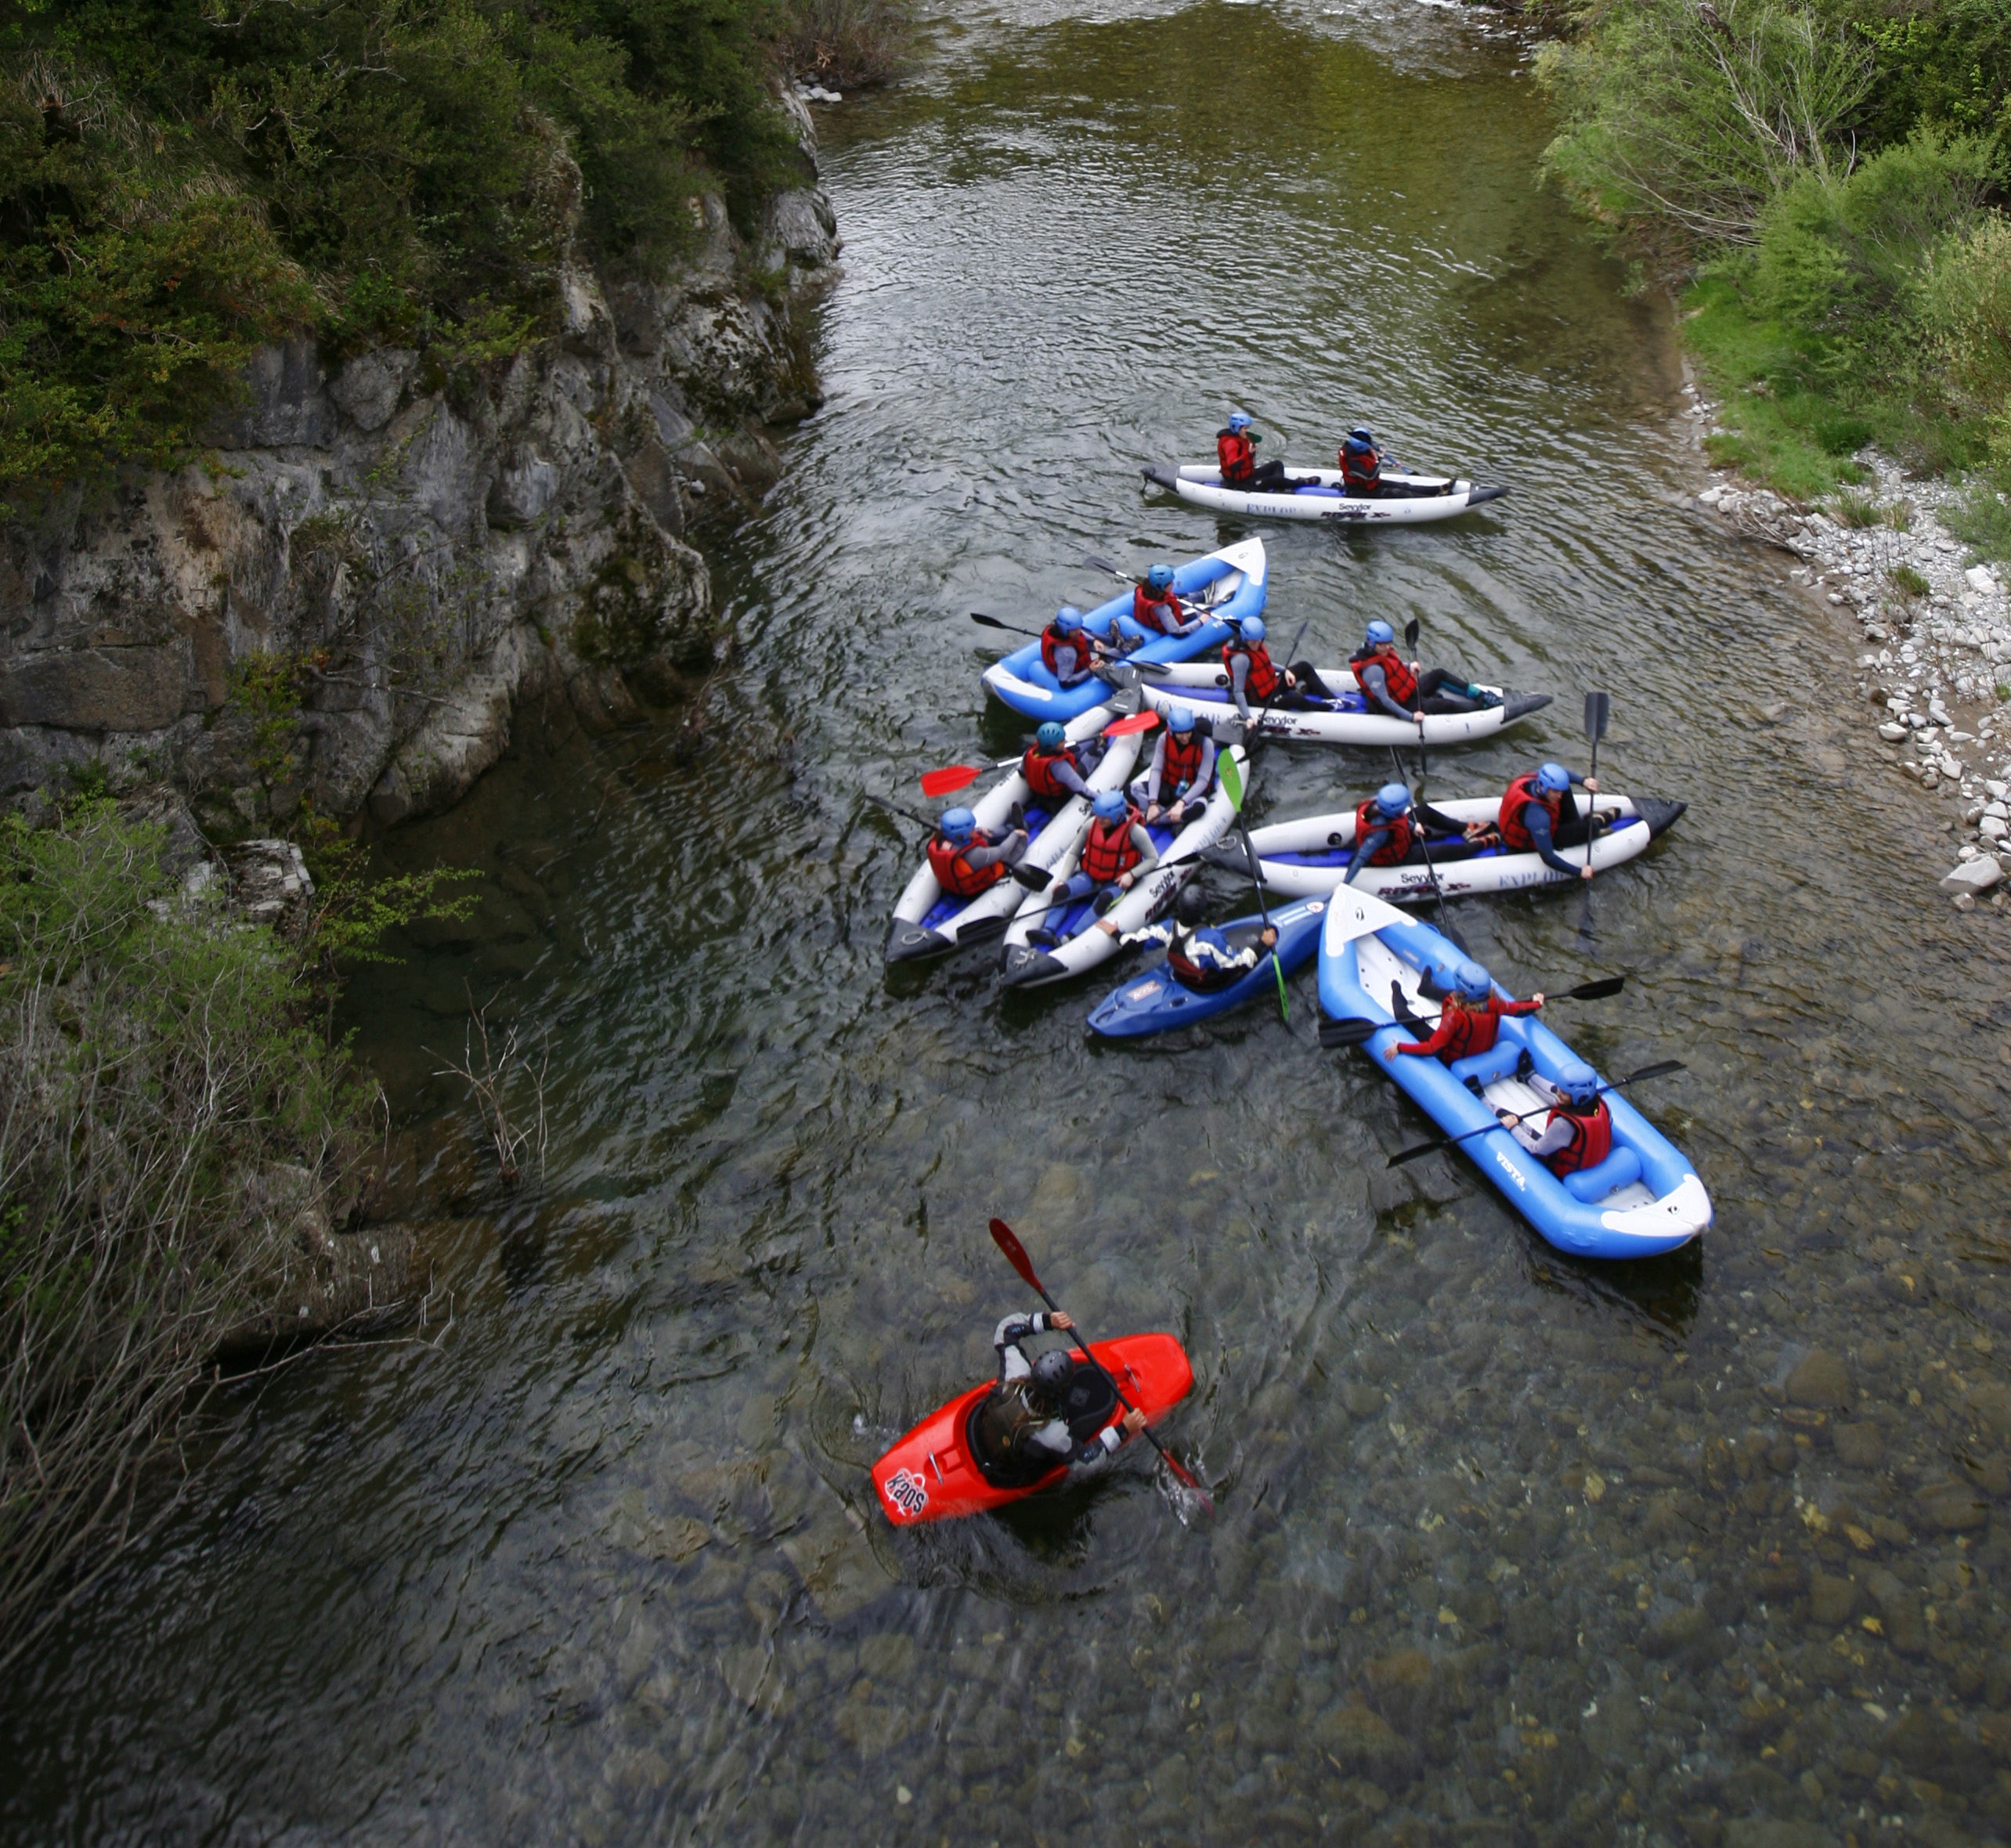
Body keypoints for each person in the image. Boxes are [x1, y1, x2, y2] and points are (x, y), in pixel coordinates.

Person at [971, 1308, 1149, 1486]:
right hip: (1008, 1471)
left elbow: (1006, 1331)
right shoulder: (1053, 1435)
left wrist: (1047, 1321)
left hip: (977, 1430)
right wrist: (1123, 1430)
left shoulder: (1014, 1376)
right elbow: (1086, 1463)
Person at [1383, 958, 1544, 1093]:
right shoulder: (1497, 1002)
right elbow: (1520, 1010)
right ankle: (1426, 989)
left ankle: (1397, 991)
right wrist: (1536, 1003)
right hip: (1484, 1048)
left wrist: (1400, 1048)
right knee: (1452, 996)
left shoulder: (1455, 1016)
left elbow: (1433, 1048)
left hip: (1454, 1057)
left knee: (1402, 1016)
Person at [1497, 1060, 1643, 1202]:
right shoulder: (1602, 1105)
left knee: (1516, 1122)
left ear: (1579, 1095)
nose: (1559, 1094)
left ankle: (1483, 1098)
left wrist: (1513, 1127)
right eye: (1560, 1089)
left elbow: (1536, 1149)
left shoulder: (1563, 1125)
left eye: (1564, 1093)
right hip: (1596, 1156)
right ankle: (1529, 1076)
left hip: (1567, 1169)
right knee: (1556, 1097)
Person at [1043, 788, 1160, 940]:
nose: (1099, 821)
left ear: (1117, 816)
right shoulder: (1091, 824)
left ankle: (1071, 937)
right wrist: (1062, 880)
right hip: (1090, 877)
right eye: (1098, 816)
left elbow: (1153, 859)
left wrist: (1131, 874)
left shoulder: (1136, 832)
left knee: (1103, 901)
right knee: (1062, 892)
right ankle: (1047, 930)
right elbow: (1074, 853)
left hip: (1116, 882)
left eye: (1104, 818)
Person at [1121, 882, 1278, 993]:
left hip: (1182, 974)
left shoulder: (1167, 928)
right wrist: (1260, 945)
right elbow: (1235, 965)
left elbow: (1134, 942)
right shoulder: (1211, 940)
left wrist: (1116, 934)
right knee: (1238, 967)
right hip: (1206, 983)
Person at [1349, 619, 1502, 720]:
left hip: (1408, 692)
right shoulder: (1372, 671)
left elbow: (1391, 666)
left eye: (1389, 643)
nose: (1388, 647)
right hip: (1403, 704)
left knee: (1439, 674)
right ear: (1372, 643)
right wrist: (1411, 717)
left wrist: (1409, 666)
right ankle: (1481, 706)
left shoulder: (1380, 652)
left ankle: (1479, 694)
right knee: (1445, 705)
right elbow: (1385, 700)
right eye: (1383, 645)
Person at [1342, 782, 1475, 885]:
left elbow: (1399, 820)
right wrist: (1345, 884)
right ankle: (1483, 843)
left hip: (1396, 837)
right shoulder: (1380, 833)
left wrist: (1413, 827)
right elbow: (1361, 857)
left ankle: (1465, 828)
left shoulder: (1378, 804)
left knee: (1423, 810)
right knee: (1444, 850)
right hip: (1397, 858)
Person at [1492, 762, 1604, 881]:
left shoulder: (1536, 780)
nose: (1559, 796)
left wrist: (1583, 781)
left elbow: (1562, 774)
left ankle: (1577, 824)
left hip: (1535, 822)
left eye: (1559, 792)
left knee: (1566, 788)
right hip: (1531, 839)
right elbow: (1548, 858)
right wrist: (1580, 872)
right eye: (1555, 792)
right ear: (1543, 786)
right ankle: (1601, 820)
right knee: (1590, 829)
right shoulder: (1539, 818)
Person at [1128, 706, 1217, 826]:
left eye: (1188, 732)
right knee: (1130, 790)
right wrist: (1153, 803)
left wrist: (1182, 803)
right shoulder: (1163, 739)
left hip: (1191, 790)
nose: (1185, 737)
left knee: (1199, 808)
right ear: (1172, 731)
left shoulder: (1206, 744)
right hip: (1168, 787)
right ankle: (1165, 815)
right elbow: (1156, 770)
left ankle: (1158, 818)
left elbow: (1203, 780)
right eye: (1180, 734)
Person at [926, 806, 1027, 901]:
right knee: (1009, 853)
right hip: (977, 886)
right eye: (971, 830)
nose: (973, 831)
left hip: (956, 879)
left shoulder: (941, 840)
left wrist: (979, 830)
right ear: (961, 835)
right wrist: (1016, 835)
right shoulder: (973, 855)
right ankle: (1020, 830)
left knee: (986, 835)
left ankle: (1011, 827)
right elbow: (1001, 851)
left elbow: (973, 837)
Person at [1022, 720, 1101, 804]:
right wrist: (1100, 798)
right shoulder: (1059, 766)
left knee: (1077, 748)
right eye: (1062, 741)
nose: (1065, 741)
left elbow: (1022, 772)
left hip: (1039, 794)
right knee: (1092, 754)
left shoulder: (1029, 753)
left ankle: (1096, 742)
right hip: (1060, 798)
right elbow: (1082, 790)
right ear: (1052, 746)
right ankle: (1102, 746)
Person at [1127, 565, 1205, 644]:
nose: (1173, 584)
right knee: (1204, 611)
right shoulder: (1162, 609)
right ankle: (1213, 605)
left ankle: (1204, 595)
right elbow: (1177, 632)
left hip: (1149, 617)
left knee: (1177, 597)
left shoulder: (1145, 590)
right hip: (1162, 623)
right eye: (1170, 583)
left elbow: (1171, 598)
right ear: (1161, 587)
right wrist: (1201, 621)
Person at [1217, 411, 1288, 495]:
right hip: (1239, 483)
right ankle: (1304, 482)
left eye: (1248, 428)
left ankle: (1278, 489)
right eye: (1245, 428)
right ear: (1236, 428)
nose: (1247, 431)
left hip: (1248, 476)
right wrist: (1248, 453)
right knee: (1275, 480)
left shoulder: (1242, 438)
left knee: (1277, 464)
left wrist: (1251, 450)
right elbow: (1233, 466)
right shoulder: (1231, 443)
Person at [1039, 606, 1103, 689]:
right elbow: (1065, 683)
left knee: (1090, 637)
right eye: (1075, 630)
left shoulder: (1054, 630)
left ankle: (1114, 641)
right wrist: (1090, 670)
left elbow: (1080, 633)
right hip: (1074, 670)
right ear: (1064, 630)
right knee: (1110, 657)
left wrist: (1094, 641)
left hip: (1068, 659)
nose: (1079, 632)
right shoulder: (1067, 653)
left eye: (1079, 628)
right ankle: (1123, 649)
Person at [1339, 426, 1386, 496]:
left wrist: (1392, 465)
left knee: (1405, 486)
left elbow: (1373, 463)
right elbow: (1370, 476)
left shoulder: (1362, 451)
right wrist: (1380, 459)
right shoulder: (1353, 463)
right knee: (1403, 494)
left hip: (1371, 485)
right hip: (1361, 490)